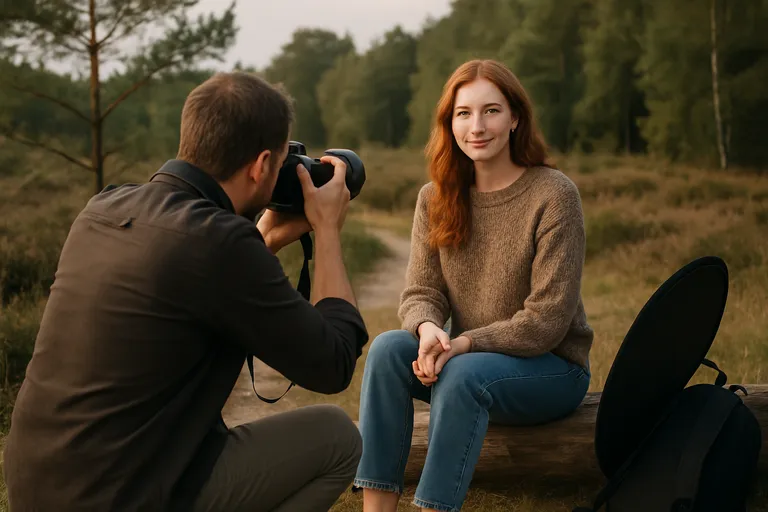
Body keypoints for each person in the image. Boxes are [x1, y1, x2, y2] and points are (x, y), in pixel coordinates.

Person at [3, 72, 369, 512]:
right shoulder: (219, 242)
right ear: (259, 165)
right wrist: (327, 231)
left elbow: (199, 279)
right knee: (337, 439)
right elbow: (332, 364)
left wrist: (264, 242)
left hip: (36, 486)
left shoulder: (102, 208)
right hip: (122, 496)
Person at [352, 59, 595, 512]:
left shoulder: (554, 194)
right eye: (463, 113)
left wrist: (464, 343)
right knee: (387, 350)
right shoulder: (436, 196)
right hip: (467, 362)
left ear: (515, 118)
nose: (476, 126)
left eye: (491, 111)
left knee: (463, 372)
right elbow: (421, 293)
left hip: (551, 369)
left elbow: (546, 321)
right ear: (450, 123)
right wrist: (428, 331)